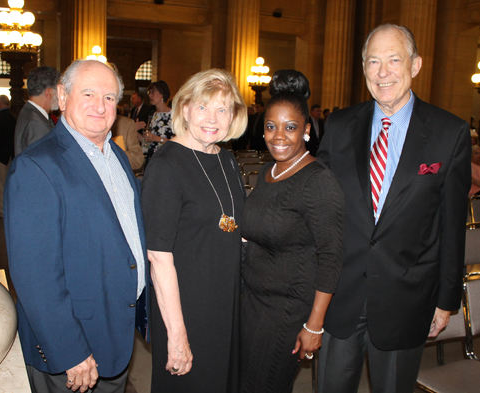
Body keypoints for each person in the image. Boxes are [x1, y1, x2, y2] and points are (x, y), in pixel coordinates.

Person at [316, 24, 471, 393]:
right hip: (340, 296)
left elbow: (451, 225)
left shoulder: (449, 133)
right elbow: (320, 211)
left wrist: (446, 300)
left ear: (415, 65)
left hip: (408, 300)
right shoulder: (338, 126)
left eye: (394, 60)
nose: (382, 72)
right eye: (373, 61)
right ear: (364, 69)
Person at [4, 59, 148, 393]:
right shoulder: (37, 166)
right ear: (62, 97)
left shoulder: (116, 156)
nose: (101, 106)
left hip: (116, 332)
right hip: (75, 349)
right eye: (89, 94)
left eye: (110, 97)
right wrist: (70, 350)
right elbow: (34, 275)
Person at [141, 69, 247, 392]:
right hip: (186, 308)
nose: (212, 118)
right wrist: (177, 334)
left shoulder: (227, 159)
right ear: (184, 109)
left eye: (222, 109)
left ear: (233, 116)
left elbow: (233, 228)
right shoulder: (166, 166)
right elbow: (159, 259)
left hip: (224, 305)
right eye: (202, 107)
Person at [240, 70, 345, 393]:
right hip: (251, 302)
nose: (278, 136)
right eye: (271, 127)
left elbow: (331, 256)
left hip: (286, 311)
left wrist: (314, 325)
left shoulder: (318, 181)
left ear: (307, 131)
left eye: (290, 127)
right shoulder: (269, 171)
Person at [15, 65, 61, 155]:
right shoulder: (36, 123)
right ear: (49, 93)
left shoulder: (29, 111)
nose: (61, 96)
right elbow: (43, 161)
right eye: (59, 90)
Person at [142, 80, 173, 157]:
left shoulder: (174, 115)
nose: (150, 95)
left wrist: (157, 139)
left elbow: (178, 143)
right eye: (149, 93)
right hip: (152, 156)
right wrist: (133, 129)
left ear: (162, 93)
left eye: (153, 92)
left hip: (167, 157)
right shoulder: (152, 114)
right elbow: (146, 142)